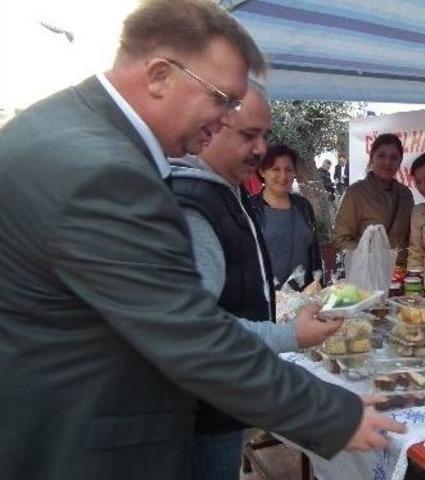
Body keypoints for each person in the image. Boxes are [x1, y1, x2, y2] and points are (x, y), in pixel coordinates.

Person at [0, 1, 403, 478]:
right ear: (158, 76)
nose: (226, 118)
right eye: (222, 98)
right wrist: (329, 411)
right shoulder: (103, 171)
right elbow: (189, 331)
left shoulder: (66, 128)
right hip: (84, 447)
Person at [170, 84, 343, 479]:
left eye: (264, 136)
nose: (262, 150)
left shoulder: (225, 196)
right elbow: (197, 330)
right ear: (210, 126)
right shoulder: (196, 204)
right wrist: (290, 335)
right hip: (202, 406)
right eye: (249, 135)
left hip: (225, 395)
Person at [249, 144, 323, 290]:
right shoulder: (251, 209)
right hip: (267, 299)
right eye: (275, 169)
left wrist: (318, 285)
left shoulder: (303, 206)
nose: (283, 176)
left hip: (305, 297)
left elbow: (314, 252)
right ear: (262, 171)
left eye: (288, 170)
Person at [333, 133, 414, 254]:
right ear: (371, 158)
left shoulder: (405, 194)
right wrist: (372, 255)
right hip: (368, 271)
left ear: (400, 161)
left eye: (393, 158)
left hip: (399, 271)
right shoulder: (355, 193)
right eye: (381, 156)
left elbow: (409, 239)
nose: (387, 162)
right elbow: (341, 240)